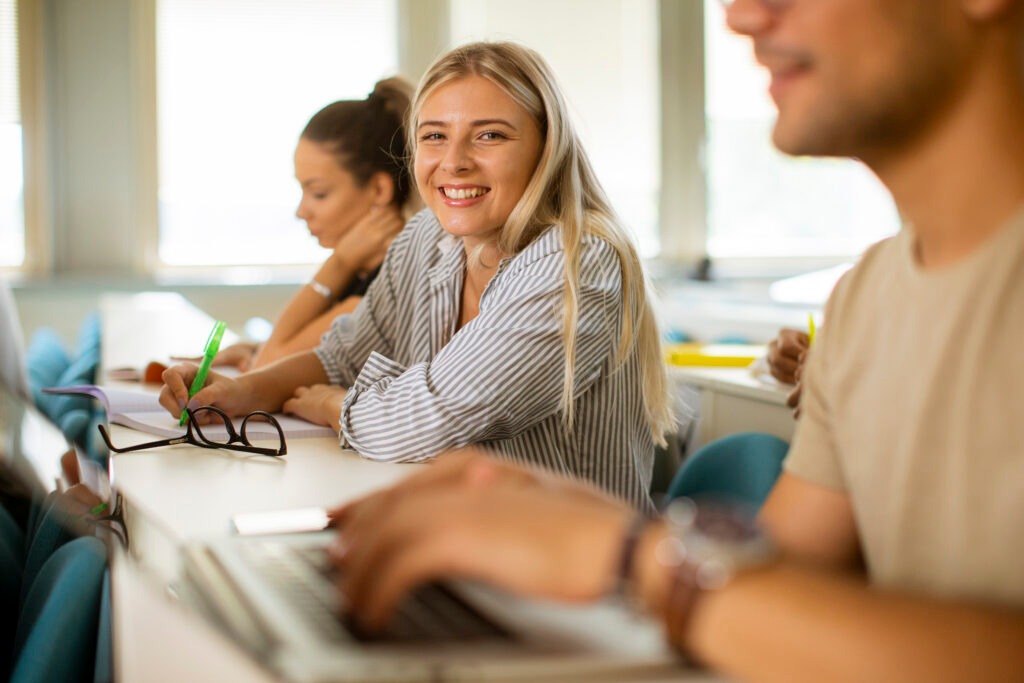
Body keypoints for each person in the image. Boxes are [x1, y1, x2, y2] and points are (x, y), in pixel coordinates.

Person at [329, 1, 1024, 680]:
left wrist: (630, 553)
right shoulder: (867, 301)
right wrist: (559, 519)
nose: (740, 16)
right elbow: (778, 594)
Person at [159, 42, 674, 510]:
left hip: (578, 582)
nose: (454, 163)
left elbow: (433, 420)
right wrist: (242, 392)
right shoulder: (428, 237)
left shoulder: (574, 262)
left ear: (547, 147)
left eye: (489, 135)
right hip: (462, 540)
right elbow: (344, 355)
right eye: (434, 137)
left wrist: (337, 406)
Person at [210, 77, 417, 371]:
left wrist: (339, 262)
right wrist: (255, 348)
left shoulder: (382, 290)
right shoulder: (360, 278)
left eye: (318, 193)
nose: (301, 211)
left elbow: (267, 365)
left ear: (379, 191)